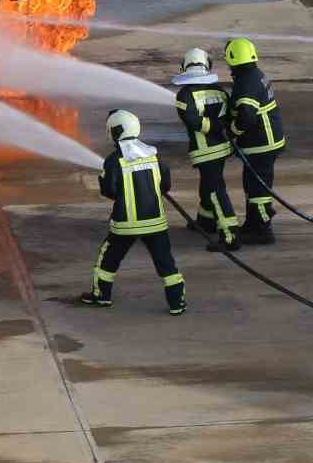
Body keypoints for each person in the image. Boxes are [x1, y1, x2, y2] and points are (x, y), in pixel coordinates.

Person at [79, 109, 187, 315]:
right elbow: (165, 185)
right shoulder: (154, 155)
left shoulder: (113, 161)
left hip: (125, 225)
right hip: (156, 222)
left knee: (108, 258)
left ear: (115, 131)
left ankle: (101, 295)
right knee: (165, 262)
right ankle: (177, 302)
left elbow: (108, 190)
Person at [173, 48, 240, 253]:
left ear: (185, 67)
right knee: (209, 184)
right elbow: (229, 117)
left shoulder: (184, 95)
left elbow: (192, 121)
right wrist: (221, 128)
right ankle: (205, 221)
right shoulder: (219, 91)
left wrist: (215, 127)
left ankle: (229, 235)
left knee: (214, 191)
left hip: (205, 151)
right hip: (222, 148)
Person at [224, 38, 286, 245]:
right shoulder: (254, 74)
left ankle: (261, 230)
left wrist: (232, 131)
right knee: (255, 184)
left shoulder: (245, 83)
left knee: (257, 187)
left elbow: (247, 116)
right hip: (269, 140)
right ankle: (253, 224)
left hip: (261, 142)